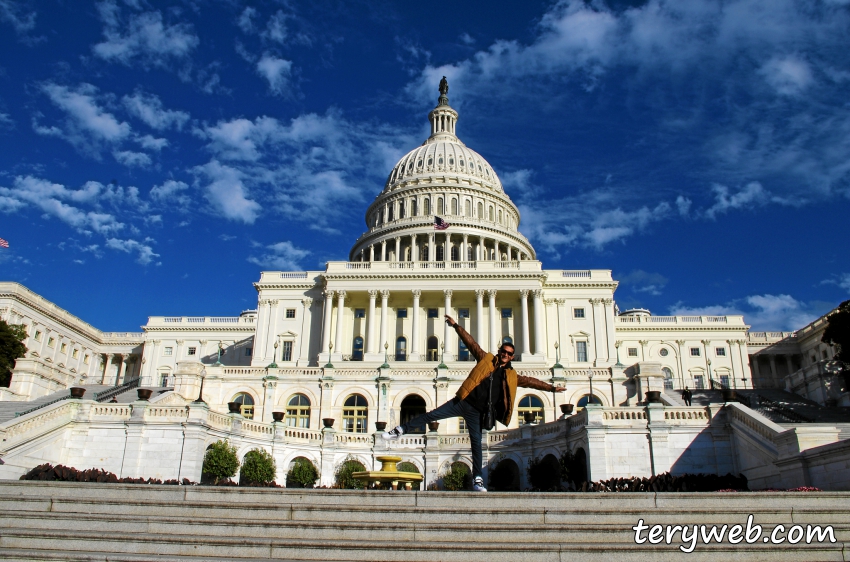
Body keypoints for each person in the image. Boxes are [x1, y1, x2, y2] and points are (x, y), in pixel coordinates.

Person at [383, 314, 566, 492]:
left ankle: (478, 479)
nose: (505, 355)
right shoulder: (486, 359)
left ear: (512, 357)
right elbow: (470, 343)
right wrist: (456, 326)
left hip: (478, 413)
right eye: (503, 351)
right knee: (432, 415)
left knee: (476, 445)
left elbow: (531, 381)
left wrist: (551, 388)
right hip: (462, 401)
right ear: (499, 351)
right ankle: (399, 430)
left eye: (509, 353)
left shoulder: (511, 376)